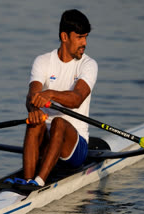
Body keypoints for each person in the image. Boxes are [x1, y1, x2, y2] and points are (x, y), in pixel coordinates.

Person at [23, 9, 98, 187]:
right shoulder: (43, 61)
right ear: (64, 37)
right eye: (79, 37)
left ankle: (39, 182)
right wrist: (33, 109)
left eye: (86, 37)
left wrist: (50, 94)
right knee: (35, 120)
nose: (84, 43)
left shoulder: (88, 64)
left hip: (74, 146)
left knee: (58, 123)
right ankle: (26, 182)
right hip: (46, 141)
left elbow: (76, 99)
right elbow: (32, 95)